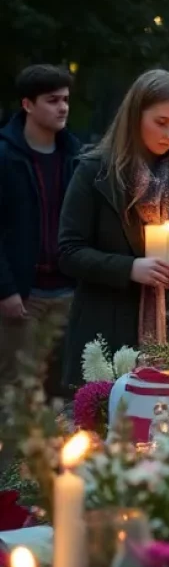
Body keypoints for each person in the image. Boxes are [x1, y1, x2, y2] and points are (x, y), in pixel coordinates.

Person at [58, 70, 169, 385]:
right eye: (161, 122)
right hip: (109, 326)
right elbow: (69, 251)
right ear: (135, 116)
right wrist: (131, 268)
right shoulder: (95, 172)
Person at [0, 65, 79, 397]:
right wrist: (5, 289)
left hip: (67, 290)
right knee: (16, 388)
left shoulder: (74, 156)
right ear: (28, 104)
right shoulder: (5, 156)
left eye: (65, 100)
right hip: (23, 292)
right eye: (52, 100)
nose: (62, 107)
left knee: (64, 388)